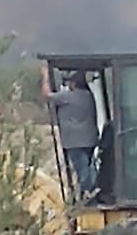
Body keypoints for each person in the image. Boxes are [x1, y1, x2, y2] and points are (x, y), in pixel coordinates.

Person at [40, 63, 99, 199]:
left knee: (82, 171)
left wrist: (45, 77)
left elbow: (46, 95)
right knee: (87, 168)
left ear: (73, 83)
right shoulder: (88, 96)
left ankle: (89, 196)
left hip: (74, 142)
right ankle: (90, 193)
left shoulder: (68, 97)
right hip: (89, 140)